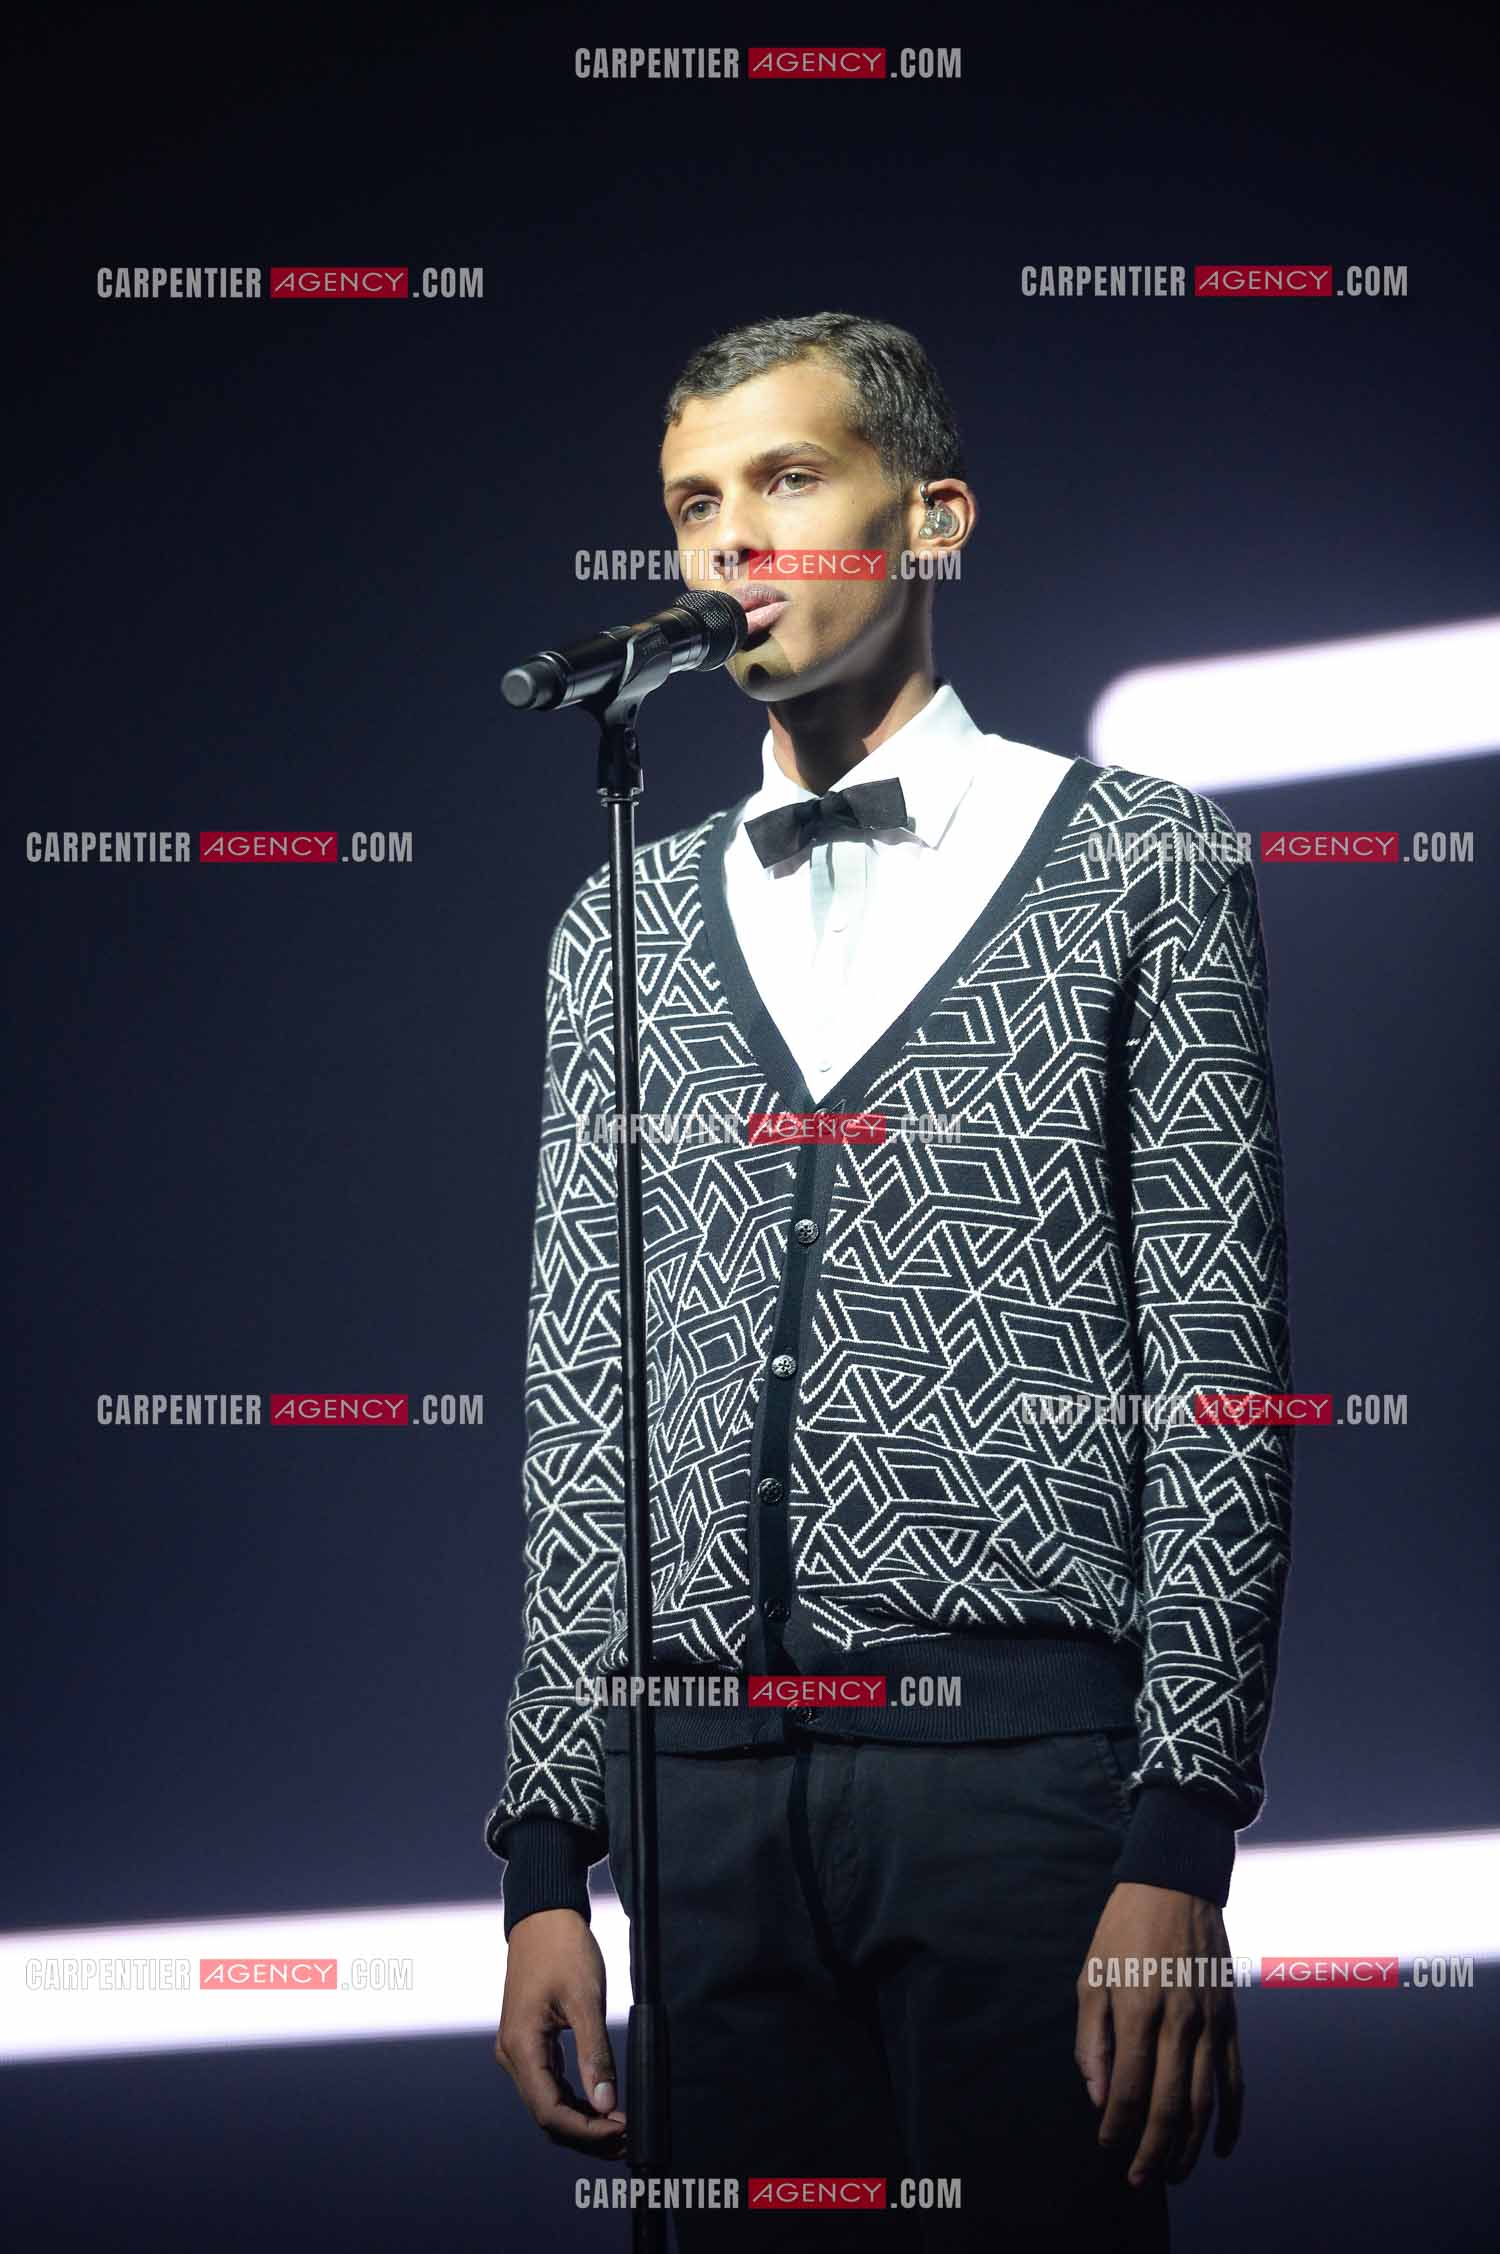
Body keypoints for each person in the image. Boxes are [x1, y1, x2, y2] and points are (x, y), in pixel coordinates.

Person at [488, 312, 1293, 2250]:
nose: (734, 541)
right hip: (698, 1792)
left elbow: (1218, 1359)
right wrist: (542, 1857)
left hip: (1018, 1778)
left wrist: (1180, 1828)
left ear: (930, 517)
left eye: (790, 479)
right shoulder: (624, 914)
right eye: (695, 502)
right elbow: (589, 1389)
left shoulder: (1141, 863)